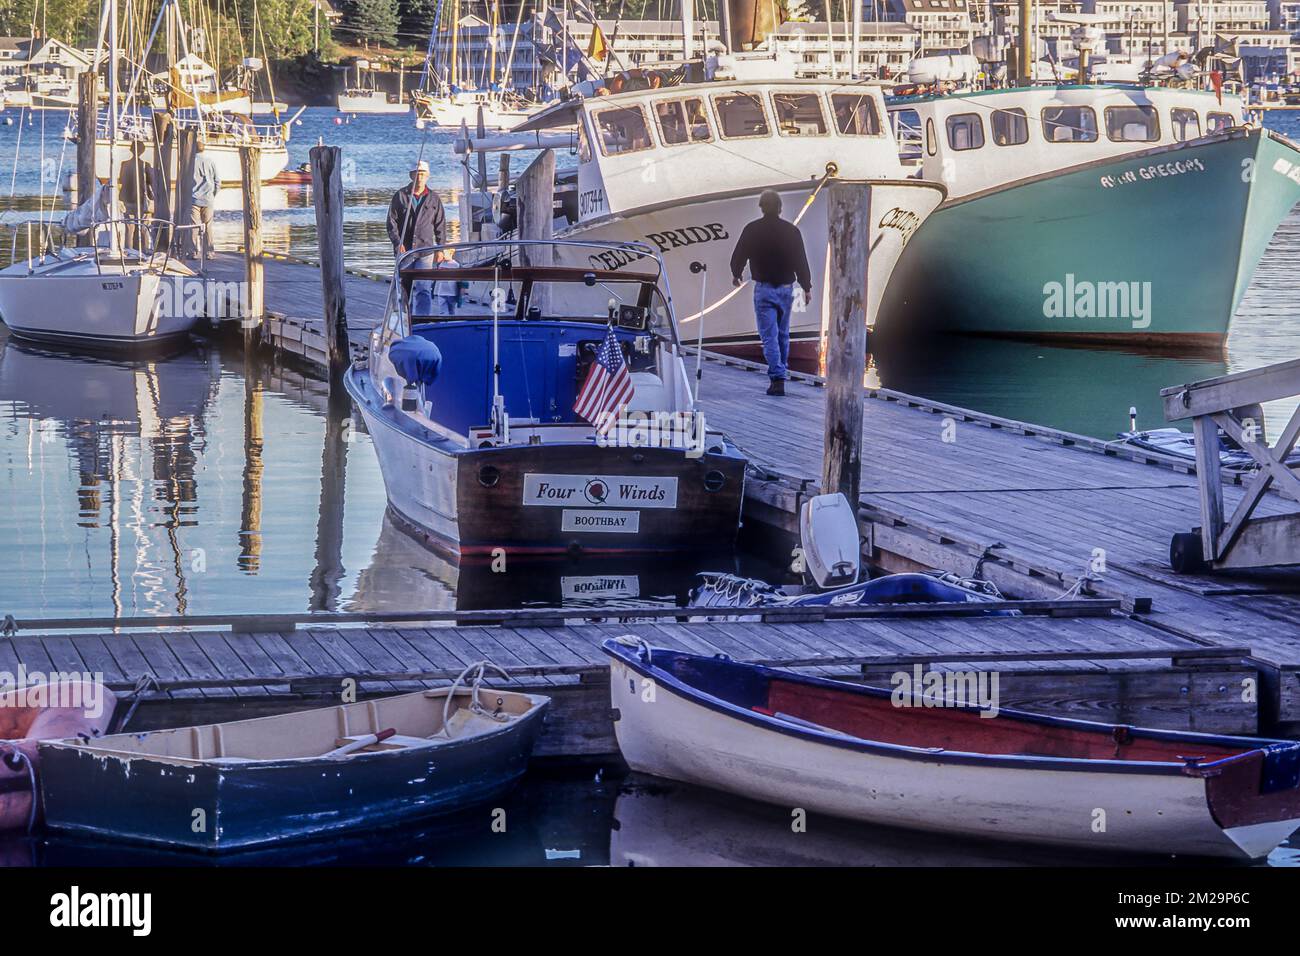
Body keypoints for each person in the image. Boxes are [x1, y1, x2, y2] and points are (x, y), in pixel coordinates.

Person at [728, 190, 812, 396]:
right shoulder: (792, 231)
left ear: (761, 207)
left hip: (764, 289)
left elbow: (739, 255)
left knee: (769, 337)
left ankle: (777, 378)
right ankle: (781, 372)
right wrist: (806, 287)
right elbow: (801, 261)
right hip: (786, 289)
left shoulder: (752, 229)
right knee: (783, 334)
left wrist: (736, 274)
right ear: (780, 208)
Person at [386, 159, 446, 315]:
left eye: (422, 174)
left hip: (426, 250)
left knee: (423, 288)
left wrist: (441, 248)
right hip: (405, 250)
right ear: (411, 175)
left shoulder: (434, 198)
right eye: (417, 174)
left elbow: (440, 224)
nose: (419, 177)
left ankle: (421, 320)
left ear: (428, 176)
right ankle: (401, 318)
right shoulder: (400, 196)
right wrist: (397, 243)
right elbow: (391, 223)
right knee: (402, 288)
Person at [118, 141, 154, 253]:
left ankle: (129, 250)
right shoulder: (145, 165)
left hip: (127, 199)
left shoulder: (124, 164)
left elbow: (122, 180)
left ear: (131, 150)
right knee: (143, 227)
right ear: (142, 151)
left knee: (129, 228)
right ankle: (143, 250)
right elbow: (152, 182)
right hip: (142, 201)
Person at [190, 138, 221, 266]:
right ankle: (209, 251)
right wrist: (213, 194)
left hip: (193, 198)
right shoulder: (211, 161)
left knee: (194, 226)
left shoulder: (190, 162)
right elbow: (217, 181)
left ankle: (193, 251)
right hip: (208, 198)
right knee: (208, 226)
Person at [433, 248, 460, 316]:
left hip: (452, 292)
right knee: (442, 312)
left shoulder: (456, 265)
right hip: (441, 292)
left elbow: (460, 279)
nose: (444, 255)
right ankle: (443, 323)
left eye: (445, 253)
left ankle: (451, 323)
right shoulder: (440, 264)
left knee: (452, 311)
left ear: (451, 253)